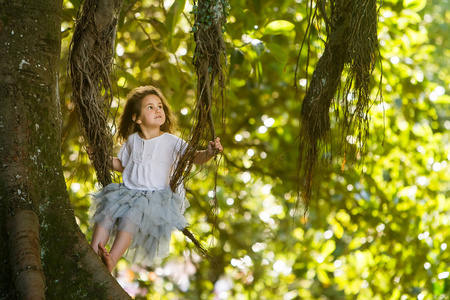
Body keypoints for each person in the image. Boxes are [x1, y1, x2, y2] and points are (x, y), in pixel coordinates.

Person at [89, 85, 223, 272]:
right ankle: (94, 251)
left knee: (130, 220)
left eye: (159, 106)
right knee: (106, 212)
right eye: (150, 107)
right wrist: (100, 158)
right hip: (128, 192)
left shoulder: (171, 141)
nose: (158, 110)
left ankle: (112, 258)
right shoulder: (132, 140)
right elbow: (123, 165)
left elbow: (194, 156)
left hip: (154, 198)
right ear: (136, 118)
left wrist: (208, 153)